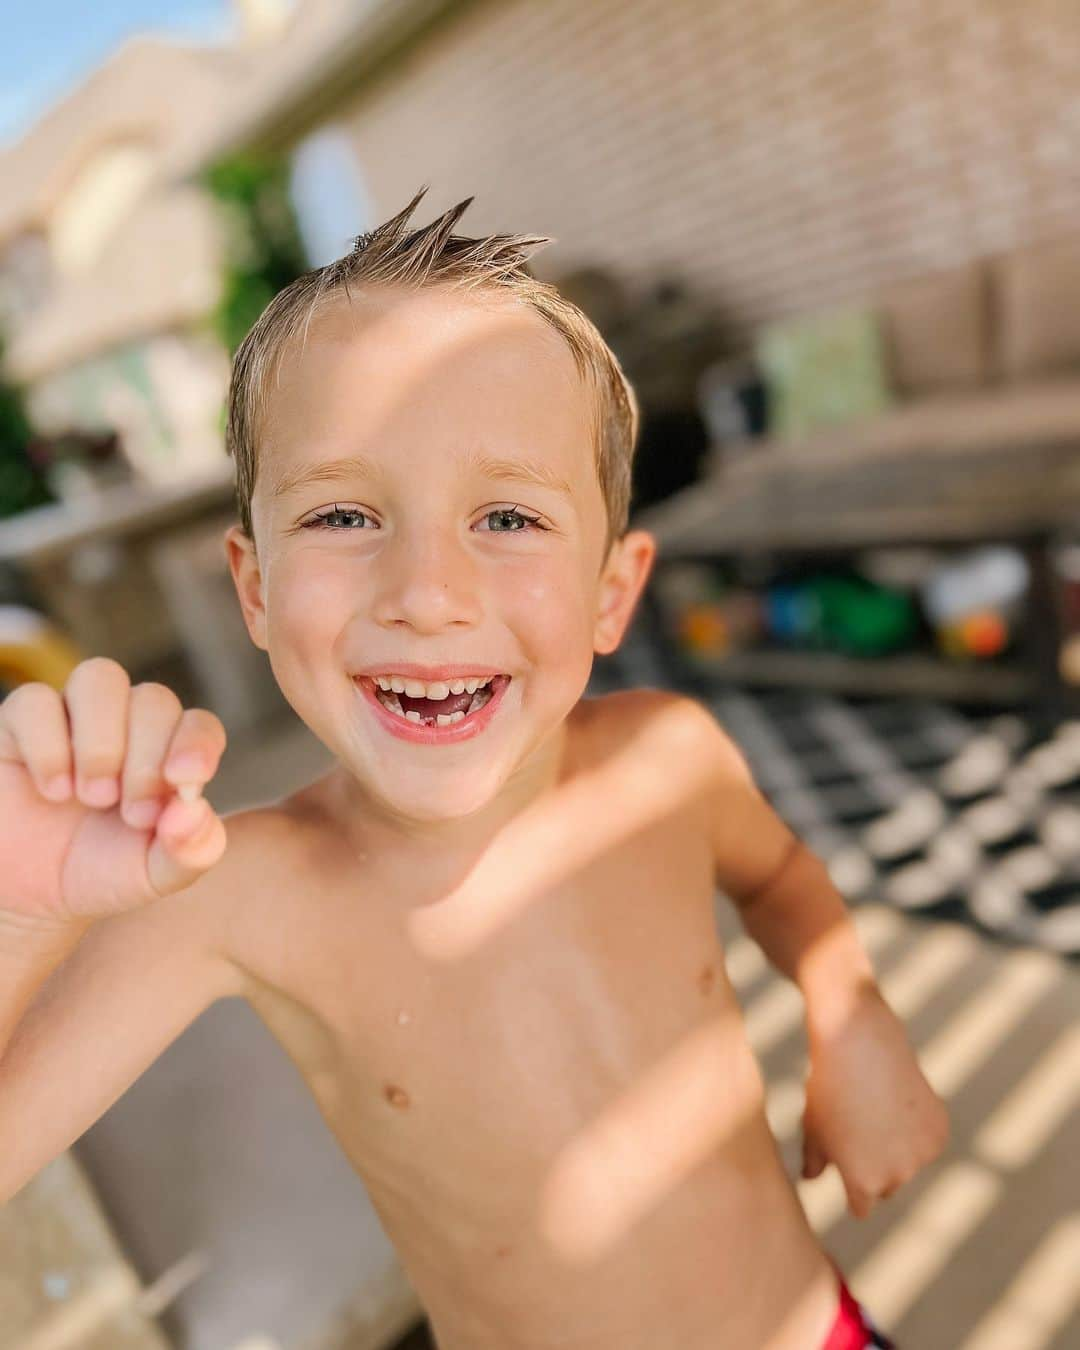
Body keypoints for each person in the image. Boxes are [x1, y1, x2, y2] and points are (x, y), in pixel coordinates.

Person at [0, 188, 947, 1349]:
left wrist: (853, 1016)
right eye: (345, 516)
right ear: (253, 589)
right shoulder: (239, 889)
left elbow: (784, 879)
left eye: (506, 516)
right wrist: (23, 914)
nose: (427, 595)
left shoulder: (669, 758)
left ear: (612, 592)